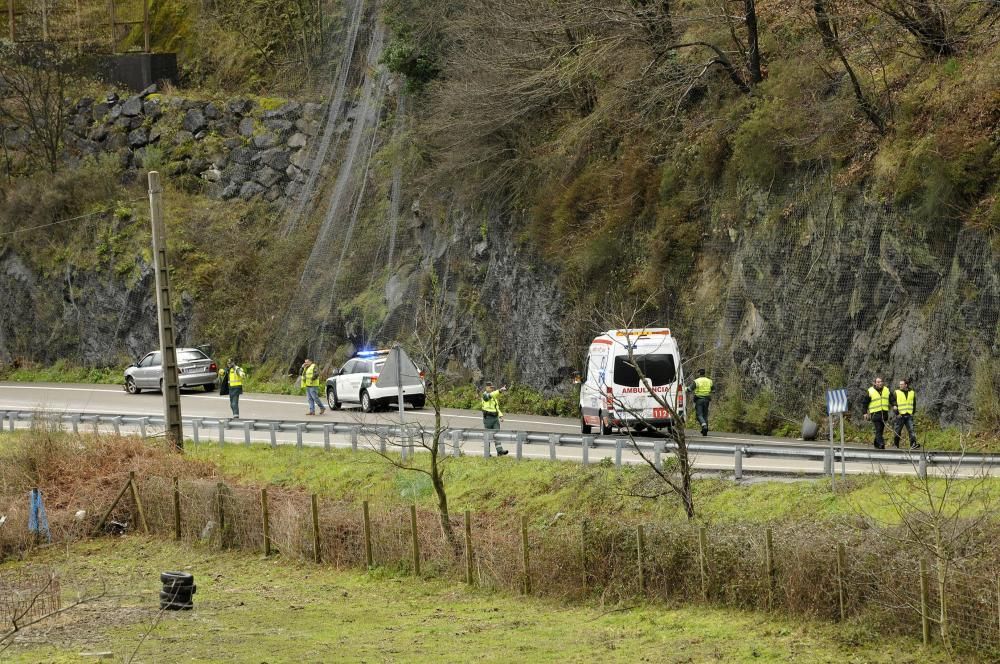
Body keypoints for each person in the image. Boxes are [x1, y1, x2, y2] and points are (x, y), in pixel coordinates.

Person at [480, 381, 509, 456]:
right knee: (488, 436)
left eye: (492, 388)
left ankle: (500, 451)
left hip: (495, 418)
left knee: (497, 435)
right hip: (488, 418)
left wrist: (500, 416)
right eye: (490, 387)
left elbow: (496, 408)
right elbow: (489, 396)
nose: (491, 389)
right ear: (486, 387)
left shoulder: (494, 397)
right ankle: (487, 453)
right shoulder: (485, 395)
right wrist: (500, 390)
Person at [862, 376, 891, 449]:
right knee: (878, 429)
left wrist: (894, 405)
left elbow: (892, 399)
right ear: (874, 383)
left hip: (884, 413)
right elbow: (865, 403)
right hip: (875, 414)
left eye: (881, 381)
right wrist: (865, 413)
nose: (880, 383)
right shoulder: (870, 391)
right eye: (878, 382)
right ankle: (881, 443)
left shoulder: (886, 390)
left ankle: (876, 443)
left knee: (881, 430)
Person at [891, 378, 919, 450]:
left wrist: (913, 412)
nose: (900, 385)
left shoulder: (912, 392)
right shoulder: (896, 392)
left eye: (902, 384)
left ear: (906, 385)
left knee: (911, 430)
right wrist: (897, 413)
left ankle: (913, 444)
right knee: (897, 431)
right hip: (900, 415)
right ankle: (896, 445)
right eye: (900, 384)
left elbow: (914, 404)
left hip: (909, 415)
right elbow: (893, 403)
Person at [688, 368, 714, 436]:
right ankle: (705, 431)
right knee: (705, 415)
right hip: (707, 400)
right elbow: (713, 390)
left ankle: (704, 426)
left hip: (699, 400)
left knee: (699, 415)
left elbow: (689, 389)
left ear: (699, 373)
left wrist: (684, 388)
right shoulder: (710, 381)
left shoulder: (697, 381)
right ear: (704, 373)